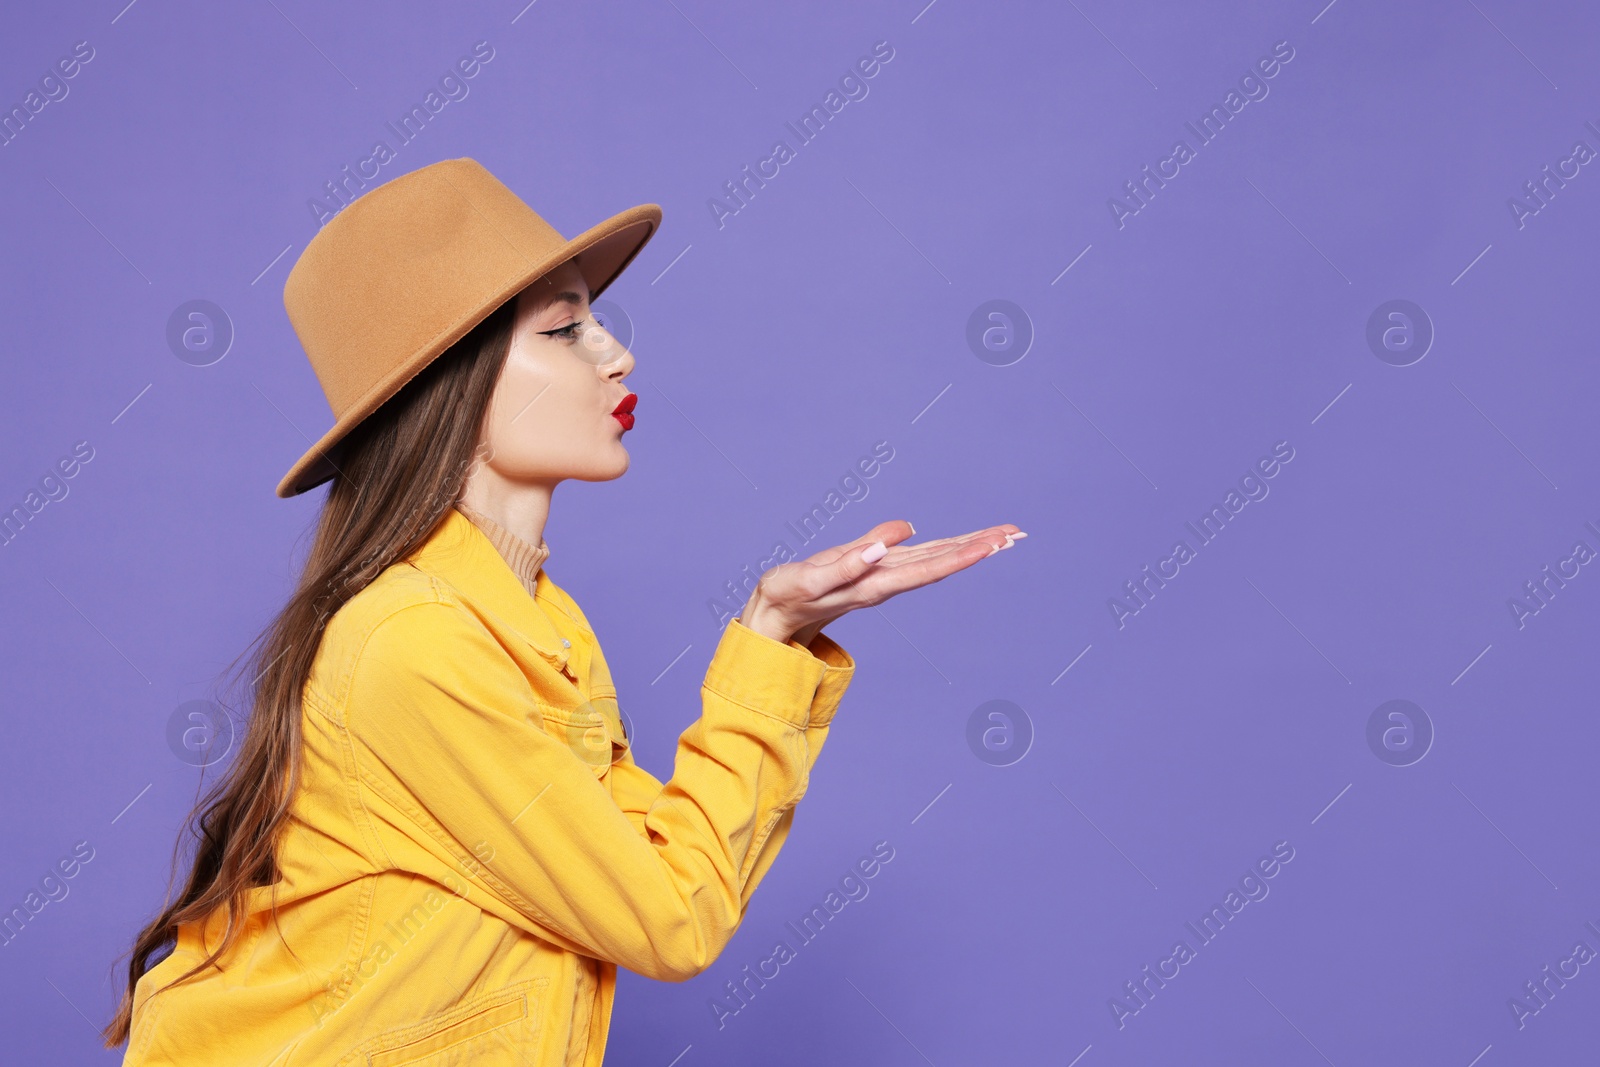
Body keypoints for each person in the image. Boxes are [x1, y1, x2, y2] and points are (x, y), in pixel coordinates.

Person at [101, 158, 1023, 1065]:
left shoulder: (539, 622)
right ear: (449, 384)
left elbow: (669, 869)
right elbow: (671, 919)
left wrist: (771, 633)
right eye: (565, 329)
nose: (616, 353)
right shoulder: (412, 645)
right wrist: (763, 652)